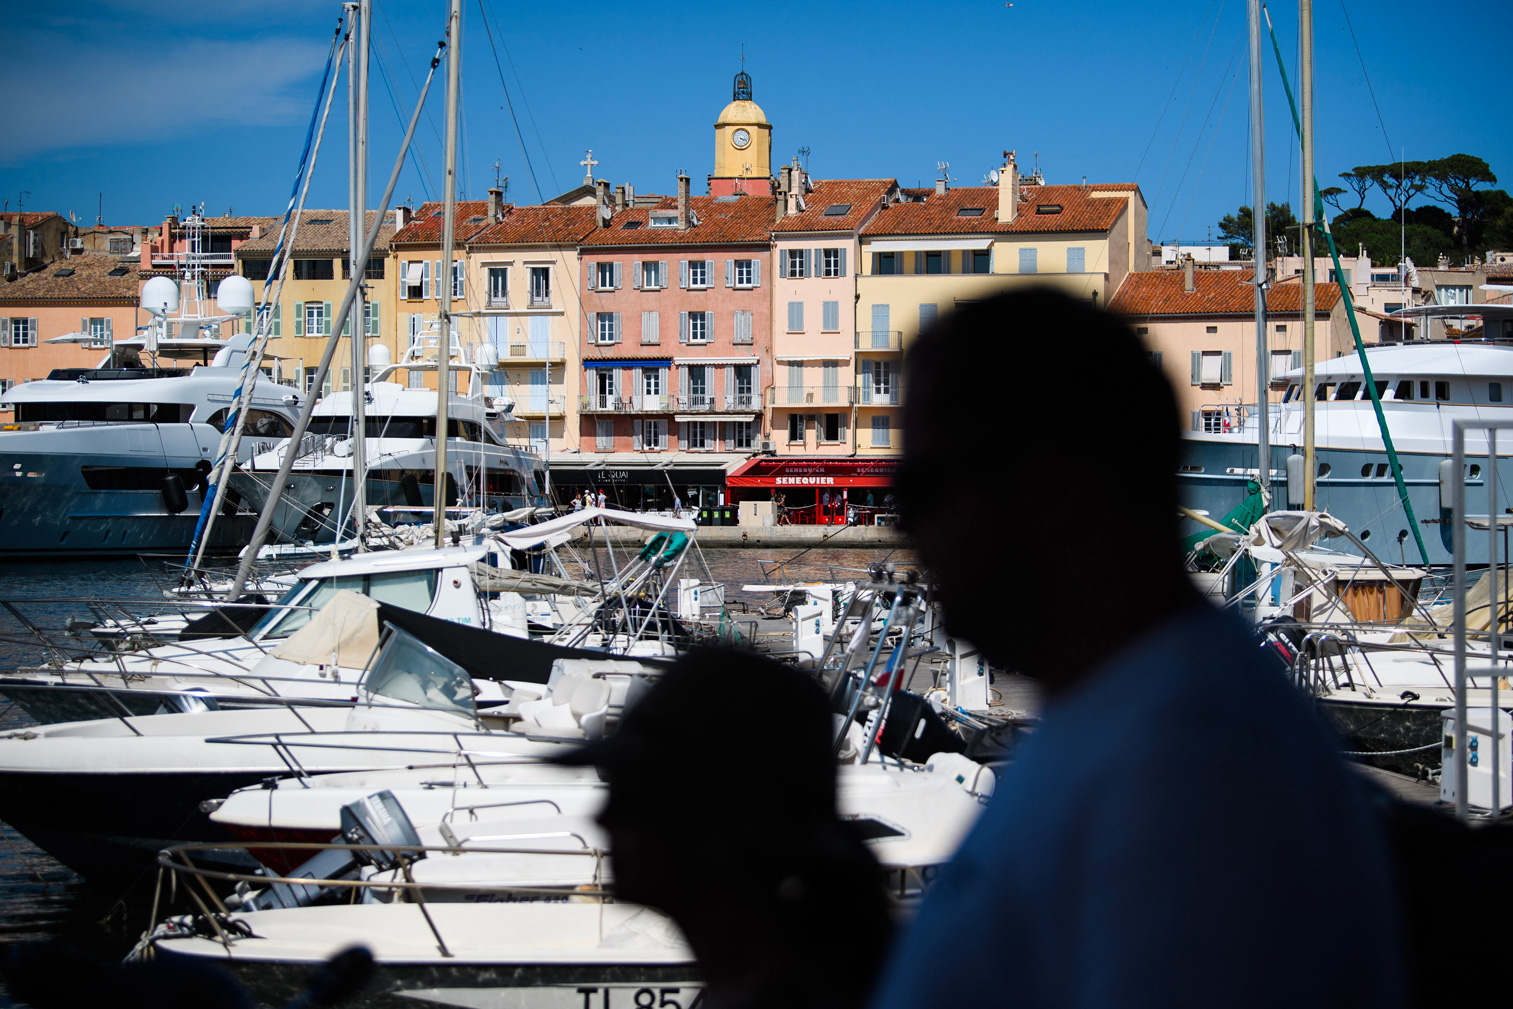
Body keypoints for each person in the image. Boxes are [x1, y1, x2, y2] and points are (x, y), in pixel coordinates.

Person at [873, 289, 1405, 1009]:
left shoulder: (1189, 775)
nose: (904, 530)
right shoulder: (1131, 718)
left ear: (1050, 491)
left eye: (917, 490)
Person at [553, 650, 892, 1009]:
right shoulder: (829, 968)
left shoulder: (794, 994)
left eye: (635, 793)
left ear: (728, 810)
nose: (603, 818)